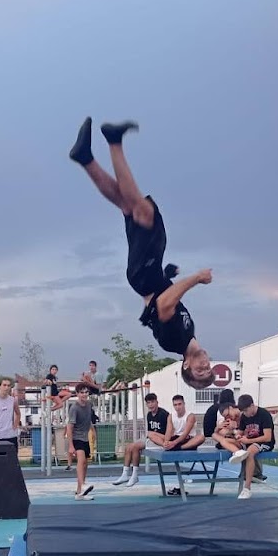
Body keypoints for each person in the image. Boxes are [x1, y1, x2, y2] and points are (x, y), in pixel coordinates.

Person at [69, 117, 215, 389]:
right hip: (150, 276)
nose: (204, 367)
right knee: (128, 205)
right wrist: (168, 275)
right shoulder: (189, 333)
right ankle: (85, 158)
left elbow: (163, 305)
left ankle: (114, 141)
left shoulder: (176, 341)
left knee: (145, 213)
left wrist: (196, 278)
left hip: (144, 275)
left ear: (186, 366)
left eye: (199, 372)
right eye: (208, 371)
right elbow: (158, 303)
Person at [217, 394, 275, 499]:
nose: (244, 414)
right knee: (223, 441)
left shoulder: (264, 414)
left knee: (250, 452)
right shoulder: (244, 416)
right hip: (248, 441)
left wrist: (249, 440)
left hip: (263, 442)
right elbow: (240, 431)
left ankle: (247, 488)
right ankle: (237, 452)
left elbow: (267, 437)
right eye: (243, 411)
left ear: (252, 405)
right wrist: (236, 434)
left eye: (246, 411)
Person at [113, 393, 170, 487]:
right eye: (148, 403)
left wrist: (157, 436)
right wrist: (151, 435)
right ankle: (125, 474)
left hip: (160, 439)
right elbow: (150, 433)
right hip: (151, 438)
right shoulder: (149, 415)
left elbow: (169, 432)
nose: (151, 405)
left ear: (157, 402)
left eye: (152, 402)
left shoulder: (164, 414)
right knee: (128, 447)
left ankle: (135, 475)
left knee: (135, 447)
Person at [65, 384, 96, 500]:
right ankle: (83, 485)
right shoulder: (74, 408)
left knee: (85, 464)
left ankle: (79, 493)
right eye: (81, 392)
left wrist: (93, 431)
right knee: (81, 461)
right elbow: (69, 427)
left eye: (86, 392)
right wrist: (71, 446)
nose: (84, 394)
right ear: (77, 394)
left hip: (85, 438)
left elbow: (88, 421)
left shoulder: (89, 405)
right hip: (76, 438)